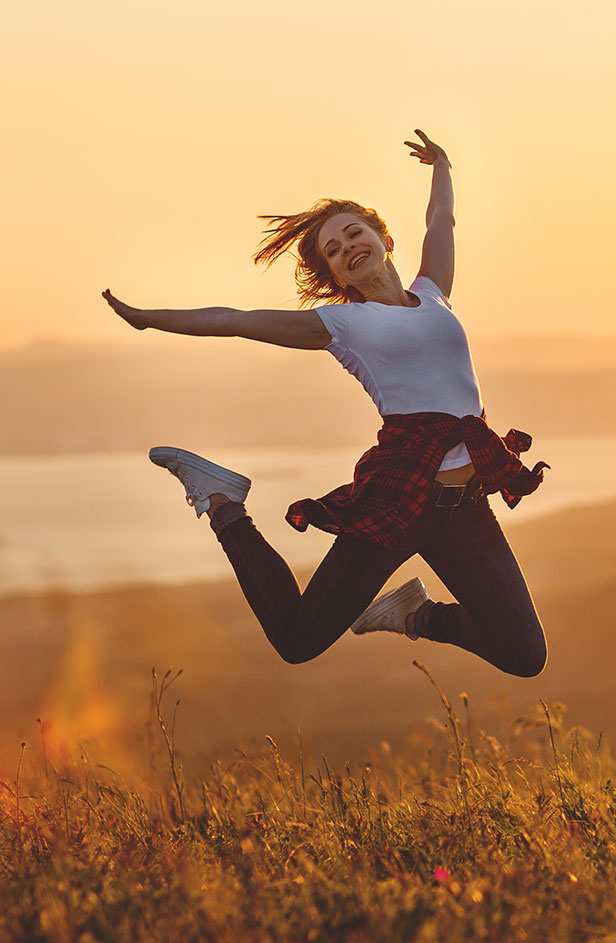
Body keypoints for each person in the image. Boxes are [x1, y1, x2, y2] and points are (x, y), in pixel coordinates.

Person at [103, 130, 548, 677]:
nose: (346, 248)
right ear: (335, 276)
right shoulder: (346, 324)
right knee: (297, 639)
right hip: (400, 500)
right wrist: (150, 319)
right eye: (332, 252)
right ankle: (223, 501)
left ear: (383, 237)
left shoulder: (432, 294)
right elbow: (236, 322)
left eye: (352, 233)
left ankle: (414, 615)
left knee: (524, 655)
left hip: (465, 509)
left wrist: (443, 167)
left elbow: (441, 223)